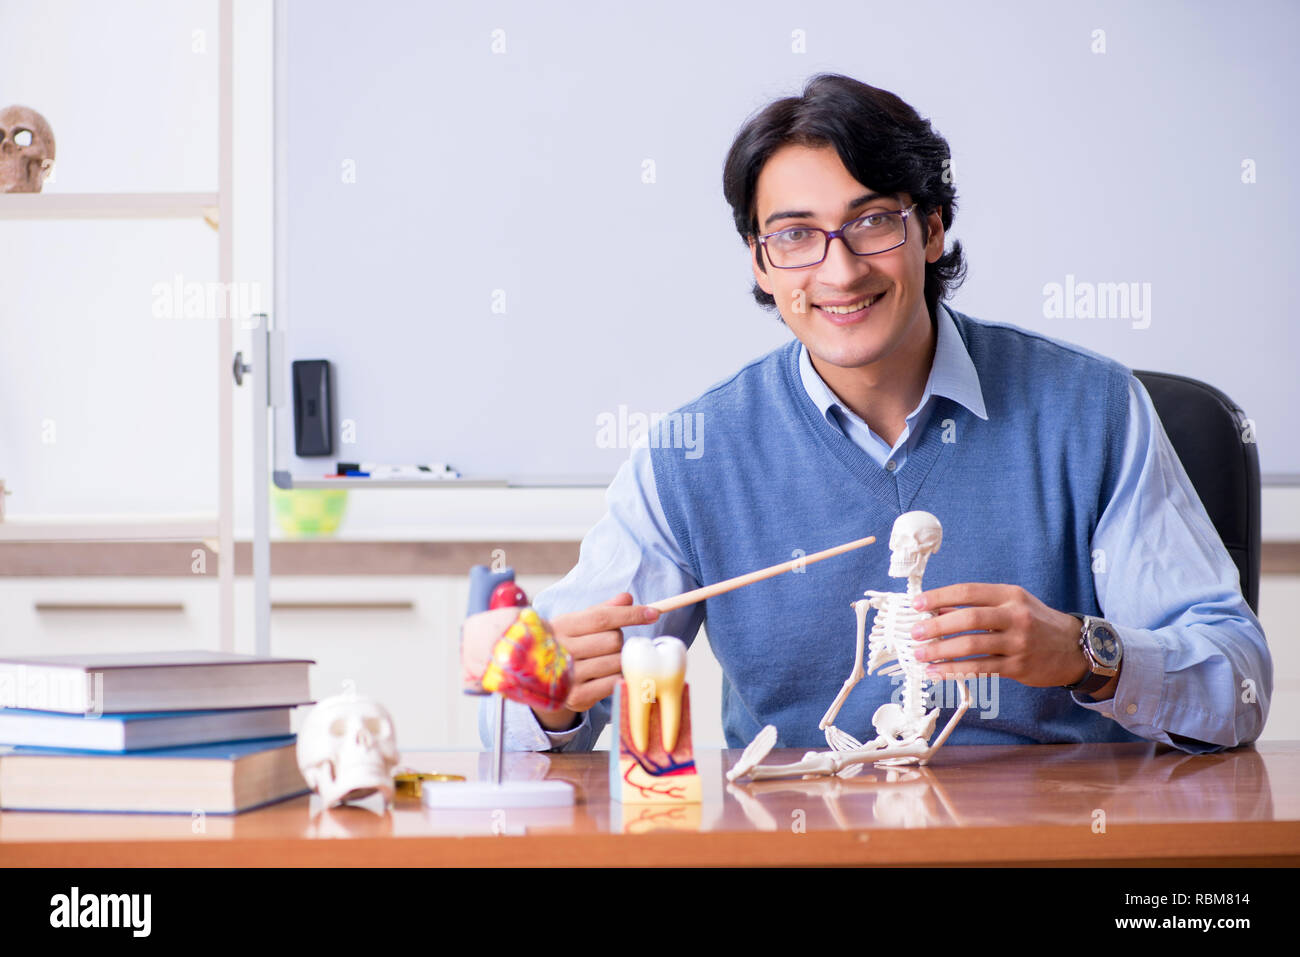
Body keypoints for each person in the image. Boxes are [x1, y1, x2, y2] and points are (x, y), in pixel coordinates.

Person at [481, 73, 1271, 755]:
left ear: (929, 228)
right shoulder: (695, 452)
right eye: (795, 235)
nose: (840, 268)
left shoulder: (1094, 410)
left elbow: (1238, 683)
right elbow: (515, 719)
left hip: (1059, 844)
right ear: (760, 261)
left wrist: (1081, 653)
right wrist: (551, 693)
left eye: (871, 222)